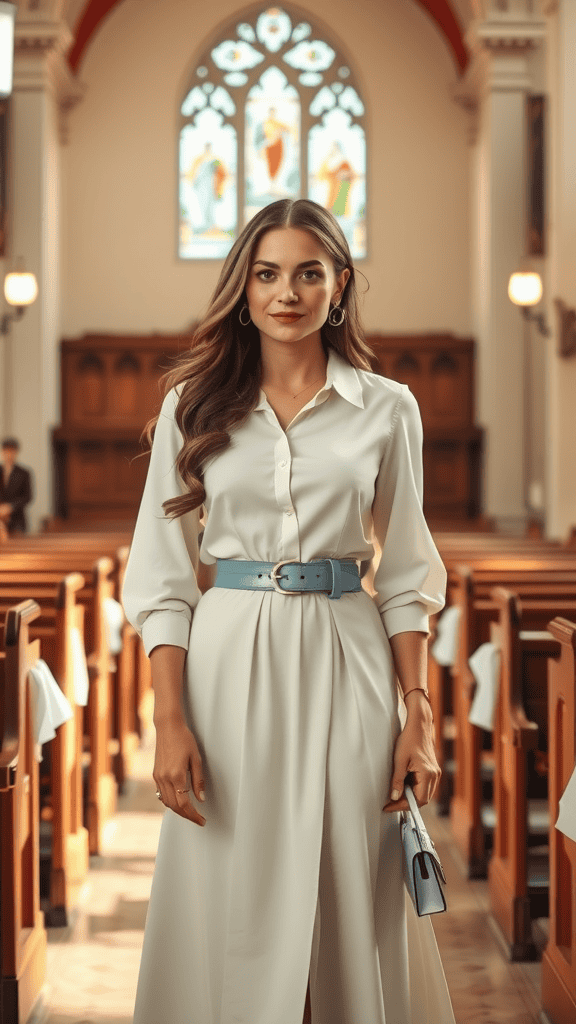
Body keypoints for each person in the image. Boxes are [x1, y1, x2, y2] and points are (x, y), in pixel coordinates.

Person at [121, 198, 456, 1024]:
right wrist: (169, 717)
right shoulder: (190, 405)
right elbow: (162, 580)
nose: (287, 292)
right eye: (267, 273)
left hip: (351, 659)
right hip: (230, 660)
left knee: (350, 876)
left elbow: (408, 574)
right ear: (244, 288)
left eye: (310, 273)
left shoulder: (389, 407)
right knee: (234, 881)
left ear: (339, 286)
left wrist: (419, 712)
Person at [0, 437, 33, 535]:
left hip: (17, 520)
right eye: (7, 451)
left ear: (16, 452)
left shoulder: (24, 473)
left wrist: (11, 507)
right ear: (2, 451)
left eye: (12, 451)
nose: (9, 454)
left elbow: (28, 497)